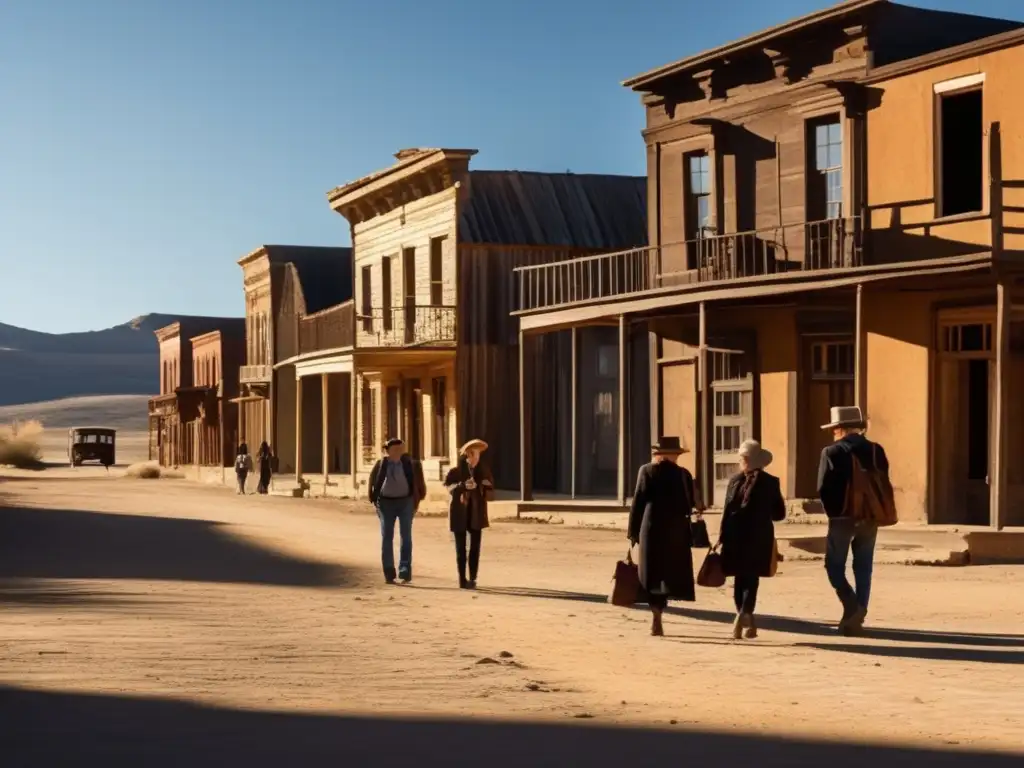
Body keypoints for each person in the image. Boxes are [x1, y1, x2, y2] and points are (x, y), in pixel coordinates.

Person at [817, 405, 891, 636]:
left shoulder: (831, 452)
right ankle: (859, 614)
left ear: (839, 429)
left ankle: (851, 605)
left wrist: (833, 513)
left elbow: (822, 488)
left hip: (842, 516)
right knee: (864, 566)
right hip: (871, 515)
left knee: (834, 566)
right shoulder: (876, 450)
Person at [627, 436, 697, 637]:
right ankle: (662, 607)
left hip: (651, 528)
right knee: (670, 572)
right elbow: (689, 504)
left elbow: (638, 501)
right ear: (675, 455)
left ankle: (655, 614)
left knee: (652, 572)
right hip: (676, 529)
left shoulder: (647, 471)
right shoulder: (684, 475)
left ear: (658, 454)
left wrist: (632, 531)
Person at [719, 439, 786, 640]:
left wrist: (721, 536)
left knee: (740, 578)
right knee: (751, 578)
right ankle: (744, 615)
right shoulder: (771, 482)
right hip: (758, 537)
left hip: (734, 535)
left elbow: (726, 511)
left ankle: (743, 615)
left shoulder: (734, 480)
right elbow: (779, 514)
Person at [368, 438, 427, 584]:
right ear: (388, 451)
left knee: (405, 535)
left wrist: (417, 499)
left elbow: (419, 482)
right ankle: (389, 571)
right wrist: (374, 500)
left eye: (401, 449)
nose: (398, 452)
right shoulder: (381, 464)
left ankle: (404, 569)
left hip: (405, 502)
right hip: (386, 503)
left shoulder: (410, 464)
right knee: (387, 536)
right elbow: (372, 482)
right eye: (395, 450)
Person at [445, 439, 494, 589]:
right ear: (467, 455)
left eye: (478, 455)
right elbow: (449, 487)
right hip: (460, 512)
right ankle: (462, 578)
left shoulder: (483, 470)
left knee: (475, 547)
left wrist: (484, 485)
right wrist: (462, 486)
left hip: (476, 512)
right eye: (473, 455)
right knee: (460, 548)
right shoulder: (455, 471)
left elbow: (490, 487)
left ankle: (473, 578)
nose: (475, 458)